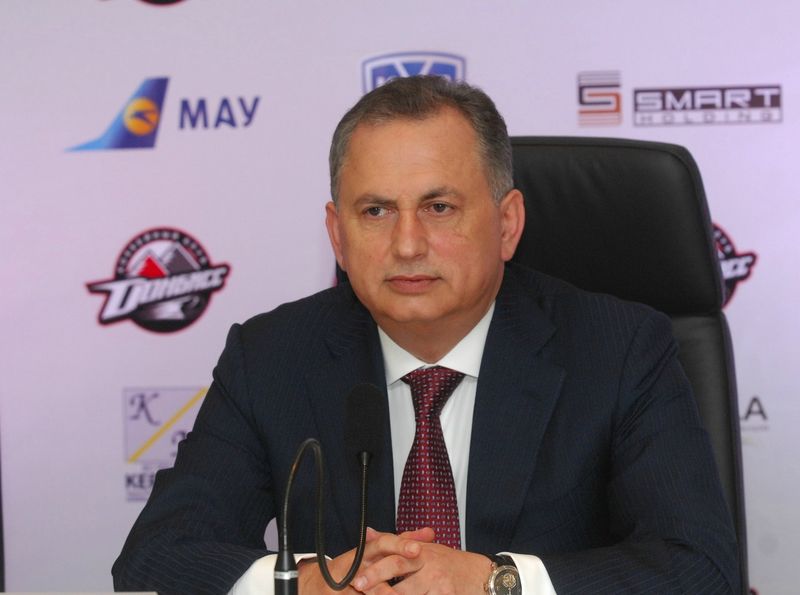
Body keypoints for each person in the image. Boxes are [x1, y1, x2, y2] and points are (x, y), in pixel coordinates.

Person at [112, 76, 739, 594]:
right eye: (376, 211)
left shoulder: (617, 349)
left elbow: (699, 569)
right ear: (337, 236)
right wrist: (300, 585)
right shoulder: (272, 357)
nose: (407, 244)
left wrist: (496, 583)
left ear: (507, 223)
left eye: (439, 208)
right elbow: (156, 555)